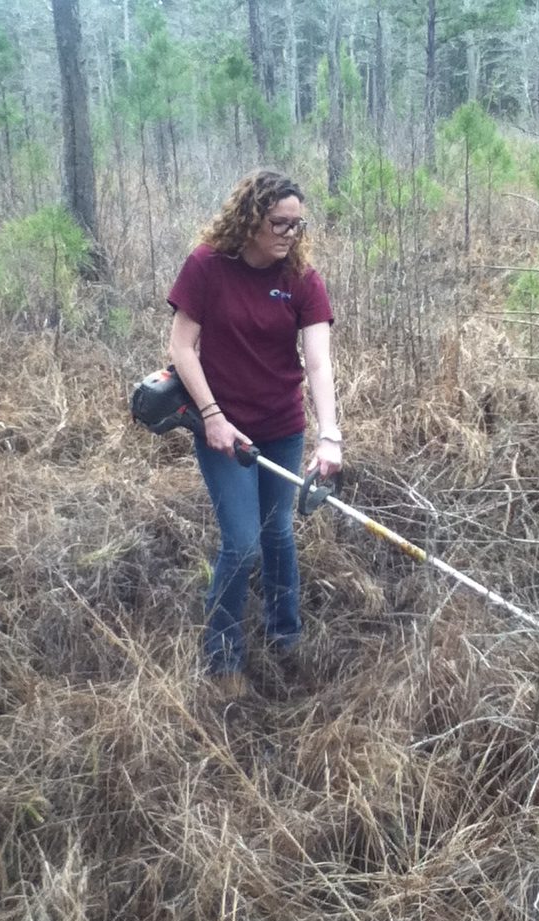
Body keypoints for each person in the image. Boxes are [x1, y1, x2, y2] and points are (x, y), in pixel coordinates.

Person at [168, 170, 341, 697]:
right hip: (224, 430)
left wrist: (329, 435)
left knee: (279, 533)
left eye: (297, 223)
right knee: (242, 545)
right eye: (278, 223)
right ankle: (223, 659)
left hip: (282, 426)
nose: (289, 233)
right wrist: (213, 416)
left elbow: (318, 362)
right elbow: (180, 349)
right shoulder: (206, 266)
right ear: (250, 219)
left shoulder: (301, 278)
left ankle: (285, 635)